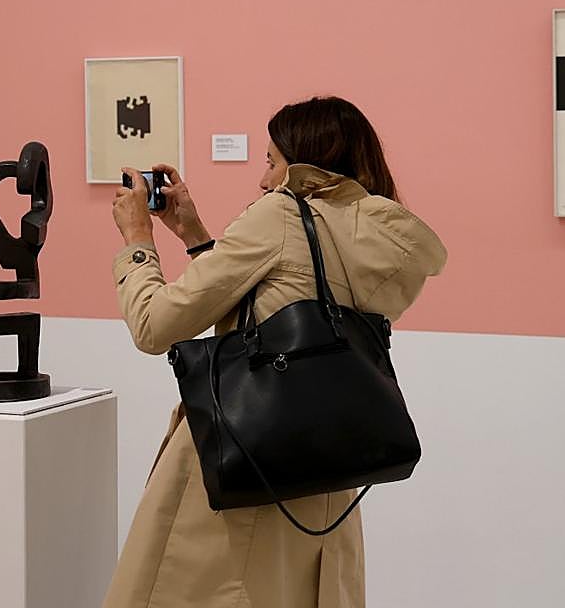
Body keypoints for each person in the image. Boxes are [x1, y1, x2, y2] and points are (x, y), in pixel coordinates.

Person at [105, 95, 447, 608]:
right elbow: (284, 299)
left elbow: (154, 327)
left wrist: (138, 240)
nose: (264, 179)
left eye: (270, 161)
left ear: (305, 162)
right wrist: (195, 236)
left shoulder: (281, 215)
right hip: (324, 472)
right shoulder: (378, 236)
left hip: (245, 459)